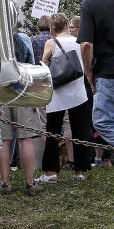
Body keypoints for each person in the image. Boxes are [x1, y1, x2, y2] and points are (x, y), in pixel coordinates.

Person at [37, 13, 93, 183]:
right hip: (78, 92)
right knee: (80, 131)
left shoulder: (51, 42)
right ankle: (79, 171)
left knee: (53, 131)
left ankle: (51, 172)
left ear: (52, 29)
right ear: (68, 25)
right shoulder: (78, 41)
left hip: (58, 93)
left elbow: (43, 64)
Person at [0, 26, 44, 195]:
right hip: (22, 90)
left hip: (1, 90)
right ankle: (30, 183)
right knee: (26, 138)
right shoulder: (22, 38)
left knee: (4, 139)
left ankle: (4, 182)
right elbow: (30, 64)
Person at [79, 0, 114, 151]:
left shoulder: (90, 4)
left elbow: (86, 44)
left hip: (107, 73)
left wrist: (88, 72)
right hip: (109, 72)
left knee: (103, 122)